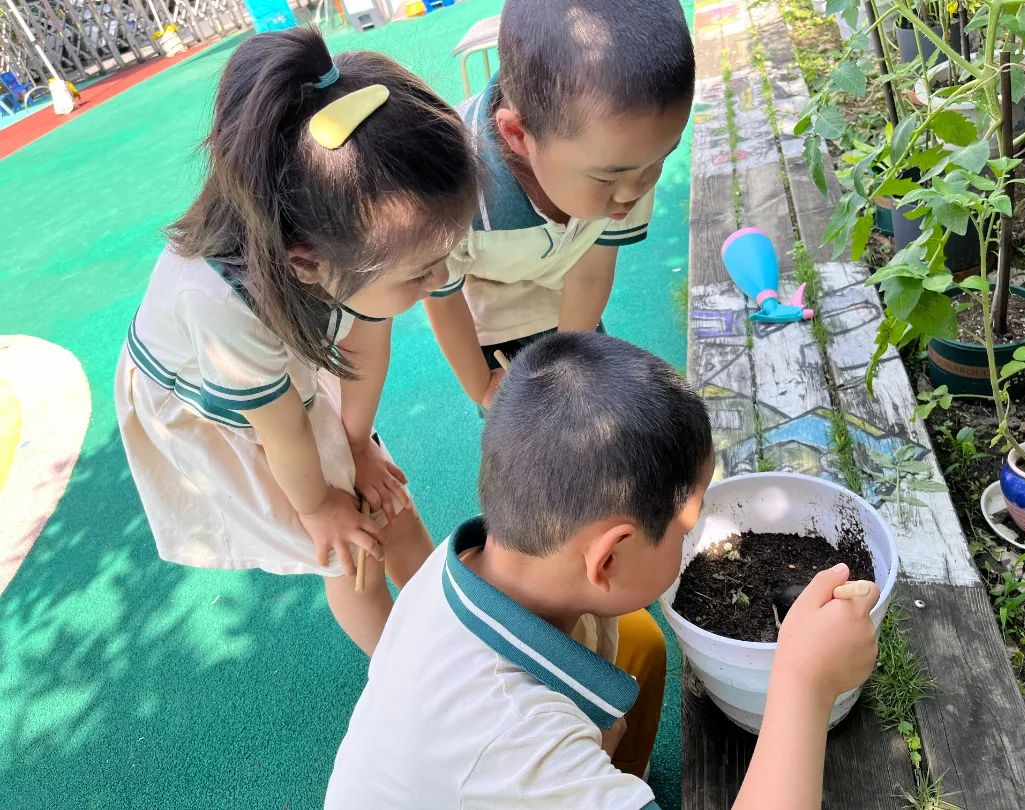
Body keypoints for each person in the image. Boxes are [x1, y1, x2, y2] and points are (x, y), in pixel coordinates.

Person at [326, 332, 880, 807]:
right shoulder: (518, 741)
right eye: (685, 529)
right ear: (608, 558)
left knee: (639, 642)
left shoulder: (468, 565)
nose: (693, 537)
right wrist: (805, 681)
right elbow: (522, 750)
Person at [114, 28, 477, 655]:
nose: (440, 278)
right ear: (308, 262)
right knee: (351, 550)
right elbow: (282, 431)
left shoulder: (348, 247)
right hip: (217, 397)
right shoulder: (220, 305)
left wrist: (359, 445)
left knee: (386, 502)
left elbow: (365, 342)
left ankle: (453, 629)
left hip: (284, 355)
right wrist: (318, 506)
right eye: (420, 271)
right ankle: (408, 676)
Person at [423, 0, 695, 409]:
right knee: (523, 428)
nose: (633, 192)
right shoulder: (448, 194)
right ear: (517, 134)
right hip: (495, 316)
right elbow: (441, 297)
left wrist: (570, 365)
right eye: (607, 178)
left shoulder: (629, 159)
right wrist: (481, 386)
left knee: (586, 402)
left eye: (660, 159)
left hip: (569, 293)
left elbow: (591, 273)